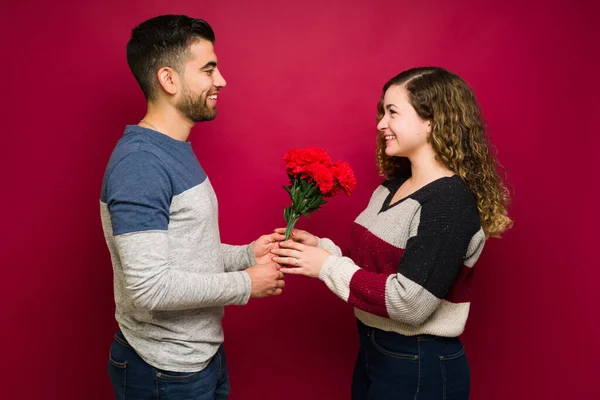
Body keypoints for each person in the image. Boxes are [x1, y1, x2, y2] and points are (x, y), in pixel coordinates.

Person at [272, 67, 512, 399]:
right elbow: (376, 270)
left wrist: (326, 265)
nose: (381, 124)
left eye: (392, 113)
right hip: (375, 350)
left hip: (419, 361)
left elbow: (410, 303)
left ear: (431, 121)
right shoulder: (390, 190)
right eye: (382, 112)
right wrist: (321, 248)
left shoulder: (450, 203)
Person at [100, 15, 285, 399]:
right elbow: (149, 288)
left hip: (201, 359)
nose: (221, 81)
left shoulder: (173, 151)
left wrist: (246, 254)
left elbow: (185, 254)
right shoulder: (140, 163)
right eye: (209, 69)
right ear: (169, 80)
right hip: (163, 372)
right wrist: (247, 283)